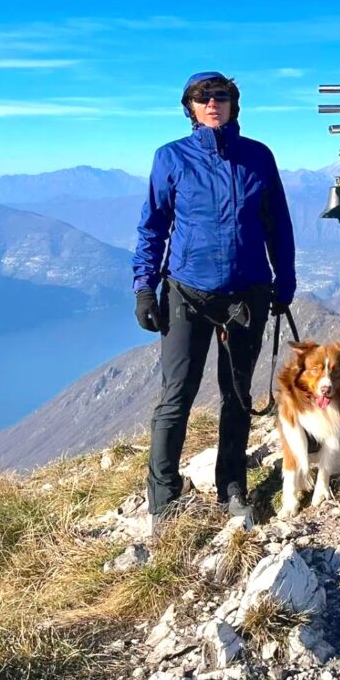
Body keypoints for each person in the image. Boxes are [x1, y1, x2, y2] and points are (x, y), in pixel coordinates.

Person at [132, 71, 296, 523]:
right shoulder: (170, 158)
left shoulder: (258, 157)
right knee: (176, 395)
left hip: (248, 294)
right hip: (186, 291)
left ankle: (232, 488)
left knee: (237, 396)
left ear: (233, 104)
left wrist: (285, 282)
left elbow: (277, 224)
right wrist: (145, 287)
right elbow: (153, 226)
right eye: (202, 98)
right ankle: (163, 501)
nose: (212, 104)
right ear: (189, 107)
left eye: (220, 96)